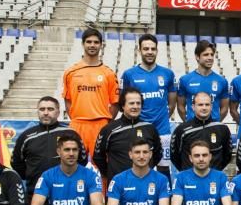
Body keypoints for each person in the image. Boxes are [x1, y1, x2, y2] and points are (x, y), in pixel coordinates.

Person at [120, 33, 176, 166]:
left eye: (153, 49)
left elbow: (172, 104)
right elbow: (123, 103)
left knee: (164, 169)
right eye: (146, 49)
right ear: (139, 50)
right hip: (138, 129)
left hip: (162, 131)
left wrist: (161, 117)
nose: (150, 52)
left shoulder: (167, 73)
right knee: (137, 167)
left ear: (157, 50)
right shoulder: (129, 74)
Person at [63, 28, 119, 157]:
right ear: (83, 44)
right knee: (74, 162)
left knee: (102, 165)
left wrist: (106, 125)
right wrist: (77, 120)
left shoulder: (109, 73)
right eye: (89, 42)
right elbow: (68, 100)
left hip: (101, 124)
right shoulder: (70, 72)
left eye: (96, 42)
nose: (92, 45)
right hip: (77, 124)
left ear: (101, 45)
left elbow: (115, 103)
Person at [93, 87, 163, 185]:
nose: (135, 106)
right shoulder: (109, 129)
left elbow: (157, 154)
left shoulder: (150, 128)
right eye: (131, 103)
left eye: (138, 103)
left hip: (145, 184)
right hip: (117, 187)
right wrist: (111, 174)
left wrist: (144, 169)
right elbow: (98, 157)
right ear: (122, 105)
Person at [169, 92, 232, 173]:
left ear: (211, 107)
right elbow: (174, 156)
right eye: (200, 105)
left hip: (214, 180)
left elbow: (227, 155)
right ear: (193, 107)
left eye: (207, 104)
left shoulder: (222, 129)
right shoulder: (182, 130)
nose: (204, 108)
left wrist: (215, 172)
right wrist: (187, 173)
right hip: (189, 179)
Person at [177, 40, 229, 122]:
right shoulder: (185, 80)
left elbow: (225, 108)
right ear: (197, 57)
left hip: (213, 128)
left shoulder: (222, 81)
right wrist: (188, 123)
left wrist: (215, 122)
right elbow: (180, 106)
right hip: (193, 128)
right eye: (206, 55)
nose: (210, 58)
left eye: (212, 55)